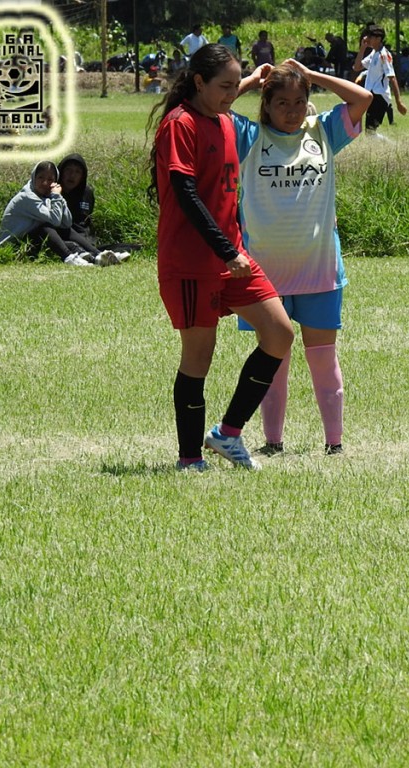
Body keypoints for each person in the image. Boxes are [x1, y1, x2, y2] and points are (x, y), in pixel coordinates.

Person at [148, 44, 294, 470]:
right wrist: (226, 251)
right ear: (199, 83)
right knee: (199, 357)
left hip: (231, 257)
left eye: (236, 85)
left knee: (280, 333)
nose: (233, 93)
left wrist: (251, 80)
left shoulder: (224, 119)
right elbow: (185, 194)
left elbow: (226, 93)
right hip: (193, 261)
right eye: (225, 86)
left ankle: (228, 434)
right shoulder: (180, 125)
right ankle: (190, 458)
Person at [232, 60, 371, 455]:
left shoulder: (323, 132)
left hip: (319, 270)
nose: (291, 111)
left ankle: (334, 444)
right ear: (266, 105)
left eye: (298, 101)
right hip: (264, 275)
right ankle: (272, 442)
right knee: (272, 362)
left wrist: (312, 75)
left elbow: (363, 98)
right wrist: (251, 80)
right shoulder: (248, 136)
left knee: (323, 360)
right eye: (281, 103)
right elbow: (214, 107)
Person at [0, 161, 127, 266]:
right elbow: (54, 220)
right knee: (45, 228)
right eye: (40, 178)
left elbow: (66, 223)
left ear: (55, 181)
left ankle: (98, 254)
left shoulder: (46, 196)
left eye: (50, 179)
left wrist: (59, 198)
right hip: (14, 247)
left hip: (30, 241)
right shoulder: (27, 197)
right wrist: (56, 197)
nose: (45, 183)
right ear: (33, 178)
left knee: (65, 230)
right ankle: (69, 258)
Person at [352, 27, 407, 134]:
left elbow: (392, 77)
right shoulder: (374, 53)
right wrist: (362, 48)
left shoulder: (384, 55)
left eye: (370, 37)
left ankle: (392, 144)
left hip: (380, 96)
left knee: (370, 132)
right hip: (371, 95)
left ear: (378, 39)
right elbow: (357, 67)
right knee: (370, 132)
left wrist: (398, 102)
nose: (367, 39)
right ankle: (389, 143)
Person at [57, 153, 94, 237]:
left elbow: (87, 221)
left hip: (83, 236)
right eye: (68, 170)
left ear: (82, 176)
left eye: (78, 172)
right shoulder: (50, 192)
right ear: (61, 172)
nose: (72, 175)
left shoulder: (87, 193)